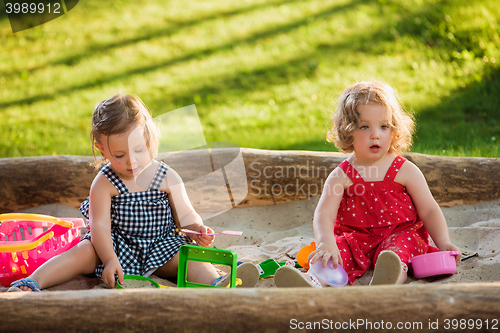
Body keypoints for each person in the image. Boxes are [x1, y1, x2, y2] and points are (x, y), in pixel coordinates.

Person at [10, 93, 259, 291]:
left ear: (150, 139)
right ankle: (33, 282)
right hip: (115, 245)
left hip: (162, 247)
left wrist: (199, 230)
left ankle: (216, 284)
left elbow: (186, 216)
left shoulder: (167, 176)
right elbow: (99, 228)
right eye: (119, 155)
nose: (131, 161)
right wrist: (108, 259)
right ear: (102, 150)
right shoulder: (104, 182)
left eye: (139, 150)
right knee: (81, 252)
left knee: (190, 257)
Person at [274, 81, 461, 287]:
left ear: (394, 129)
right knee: (333, 254)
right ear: (348, 131)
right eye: (365, 126)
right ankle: (313, 280)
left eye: (384, 126)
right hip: (356, 239)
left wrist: (443, 242)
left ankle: (388, 279)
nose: (376, 134)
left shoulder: (405, 170)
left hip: (398, 234)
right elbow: (324, 214)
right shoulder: (342, 175)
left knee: (397, 253)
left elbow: (429, 209)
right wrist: (326, 242)